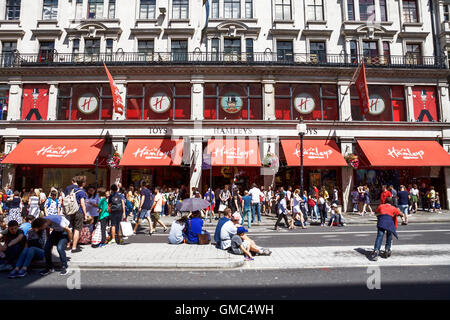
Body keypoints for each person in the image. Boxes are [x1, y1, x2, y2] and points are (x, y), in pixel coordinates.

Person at [70, 176, 88, 253]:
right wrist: (85, 214)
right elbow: (82, 203)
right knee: (77, 229)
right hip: (78, 211)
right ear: (83, 183)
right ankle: (74, 247)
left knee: (74, 228)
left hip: (72, 211)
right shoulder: (81, 192)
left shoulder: (73, 190)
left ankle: (71, 243)